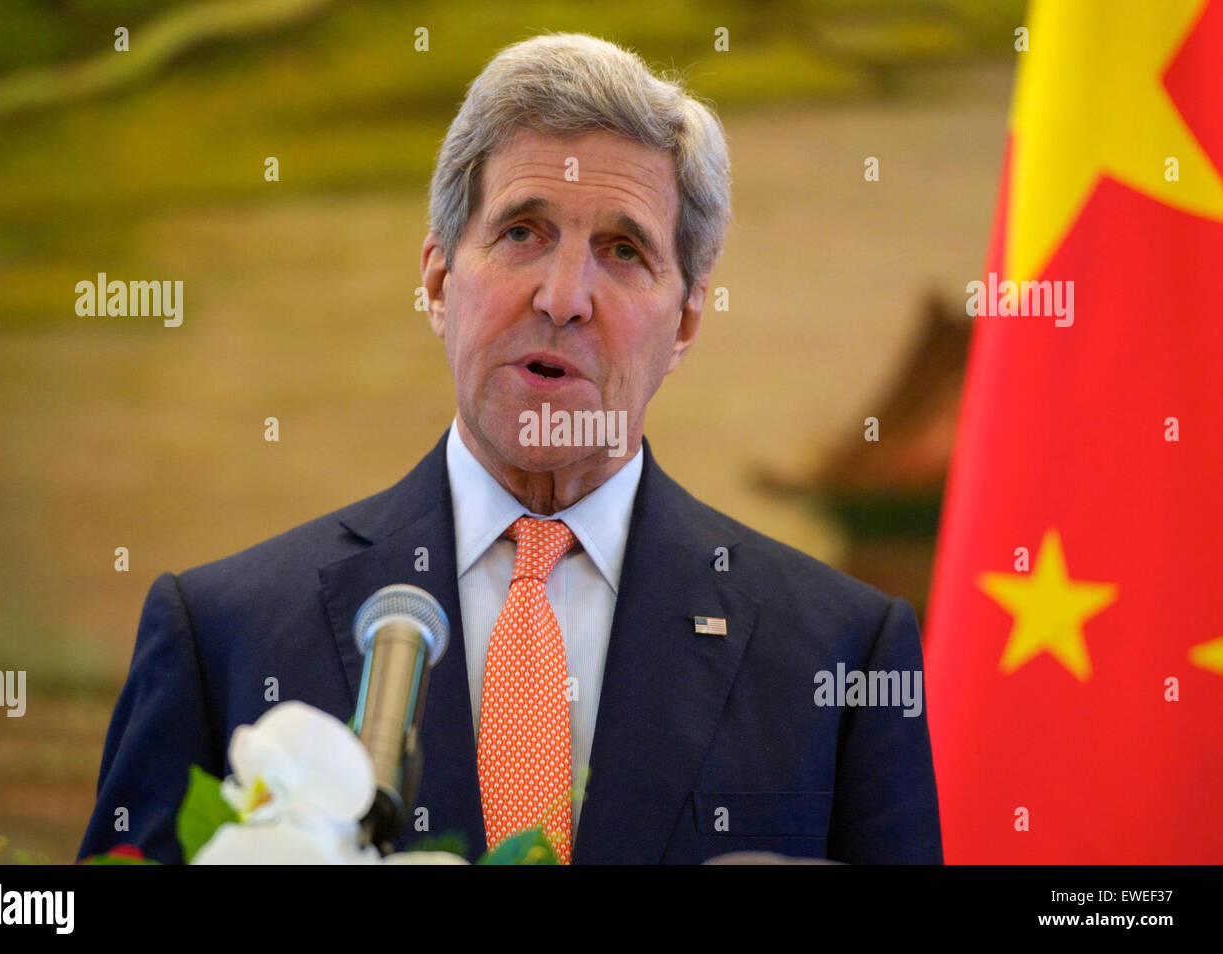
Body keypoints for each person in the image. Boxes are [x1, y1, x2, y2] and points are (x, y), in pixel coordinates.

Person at [80, 32, 941, 865]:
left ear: (684, 321)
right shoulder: (223, 635)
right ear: (437, 281)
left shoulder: (842, 653)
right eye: (522, 232)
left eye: (623, 249)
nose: (564, 298)